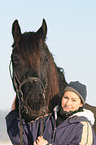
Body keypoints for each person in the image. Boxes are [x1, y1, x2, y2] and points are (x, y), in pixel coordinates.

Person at [6, 81, 96, 145]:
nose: (68, 103)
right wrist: (13, 114)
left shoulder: (83, 127)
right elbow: (21, 138)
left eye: (74, 100)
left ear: (81, 104)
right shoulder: (46, 120)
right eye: (66, 98)